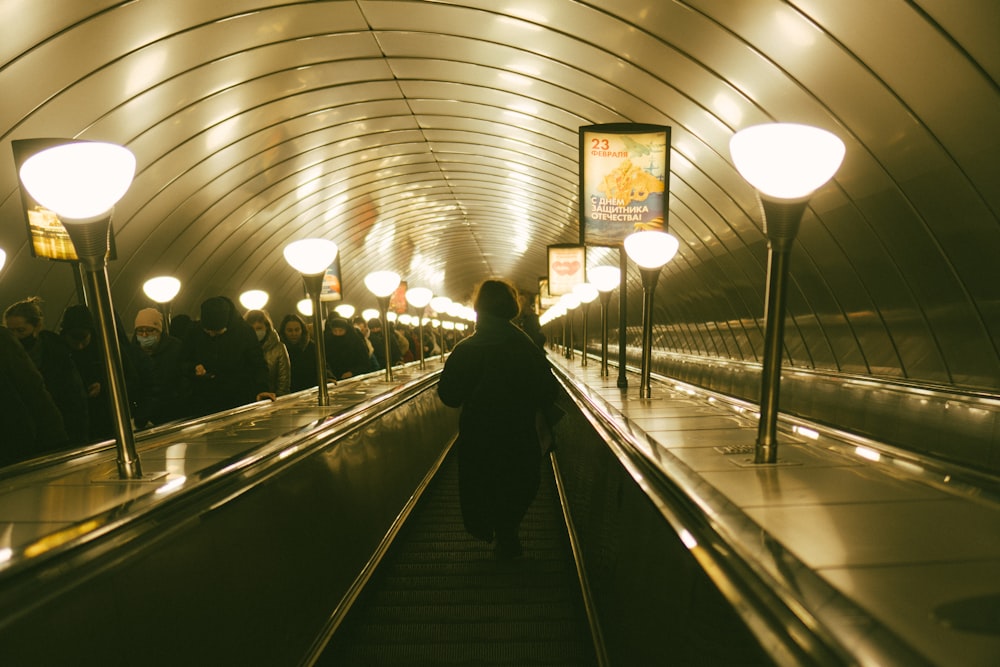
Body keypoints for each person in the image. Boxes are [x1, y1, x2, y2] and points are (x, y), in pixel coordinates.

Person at [437, 279, 559, 559]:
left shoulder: (467, 348)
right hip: (518, 429)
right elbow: (548, 390)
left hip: (478, 432)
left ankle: (495, 529)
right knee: (520, 480)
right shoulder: (526, 346)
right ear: (511, 308)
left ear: (478, 309)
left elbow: (450, 396)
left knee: (484, 481)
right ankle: (508, 530)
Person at [4, 297, 90, 444]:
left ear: (37, 327)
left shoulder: (56, 355)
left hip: (60, 434)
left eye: (21, 331)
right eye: (10, 332)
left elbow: (74, 400)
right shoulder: (6, 360)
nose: (15, 337)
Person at [181, 296, 275, 417]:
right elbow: (182, 361)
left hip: (238, 399)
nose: (212, 334)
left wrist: (262, 388)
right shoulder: (194, 332)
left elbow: (258, 364)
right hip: (204, 402)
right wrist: (193, 368)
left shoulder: (244, 332)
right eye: (207, 331)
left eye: (217, 332)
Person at [0, 326, 69, 465]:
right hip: (22, 441)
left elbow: (30, 386)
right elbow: (32, 385)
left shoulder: (3, 341)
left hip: (17, 443)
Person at [130, 307, 187, 426]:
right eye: (140, 331)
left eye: (150, 330)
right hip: (141, 417)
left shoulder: (175, 349)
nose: (144, 335)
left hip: (172, 414)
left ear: (159, 331)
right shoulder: (131, 353)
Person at [244, 309, 290, 396]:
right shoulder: (242, 349)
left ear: (267, 327)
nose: (255, 332)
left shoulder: (278, 348)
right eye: (252, 329)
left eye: (259, 328)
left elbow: (283, 382)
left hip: (272, 400)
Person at [278, 313, 320, 392]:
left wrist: (328, 377)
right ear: (284, 331)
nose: (294, 334)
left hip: (310, 391)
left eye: (297, 330)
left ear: (302, 330)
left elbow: (322, 365)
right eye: (290, 330)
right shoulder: (279, 350)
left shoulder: (311, 347)